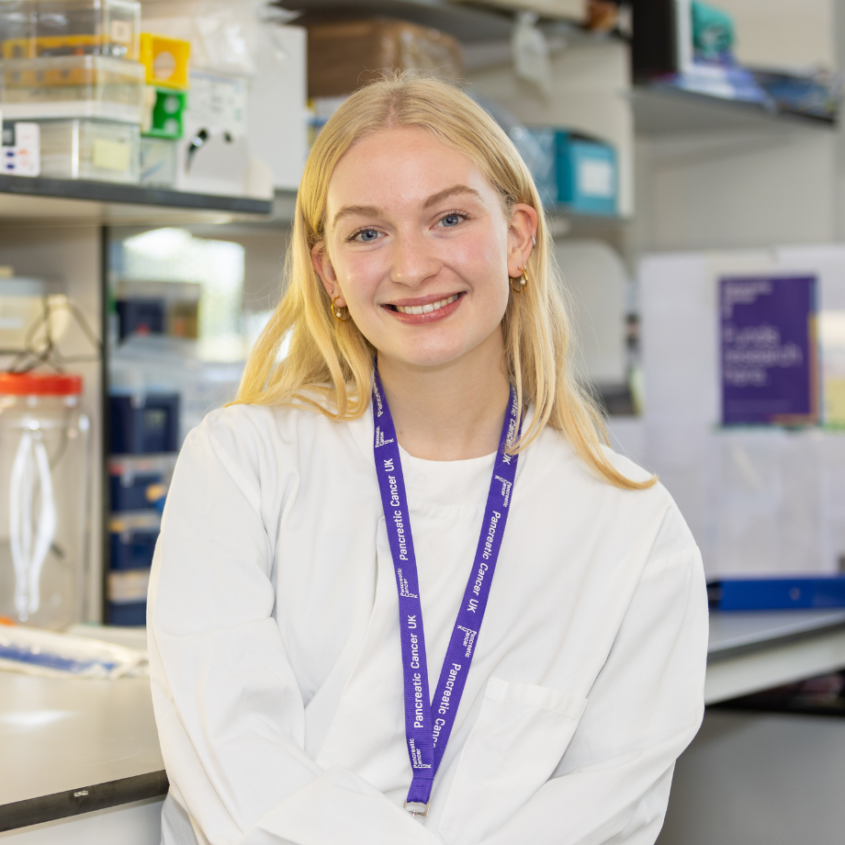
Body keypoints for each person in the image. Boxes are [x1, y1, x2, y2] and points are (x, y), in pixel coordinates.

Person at [147, 73, 708, 845]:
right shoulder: (242, 465)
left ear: (516, 237)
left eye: (447, 217)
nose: (411, 267)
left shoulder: (631, 527)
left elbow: (607, 805)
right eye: (367, 232)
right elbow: (235, 769)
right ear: (327, 271)